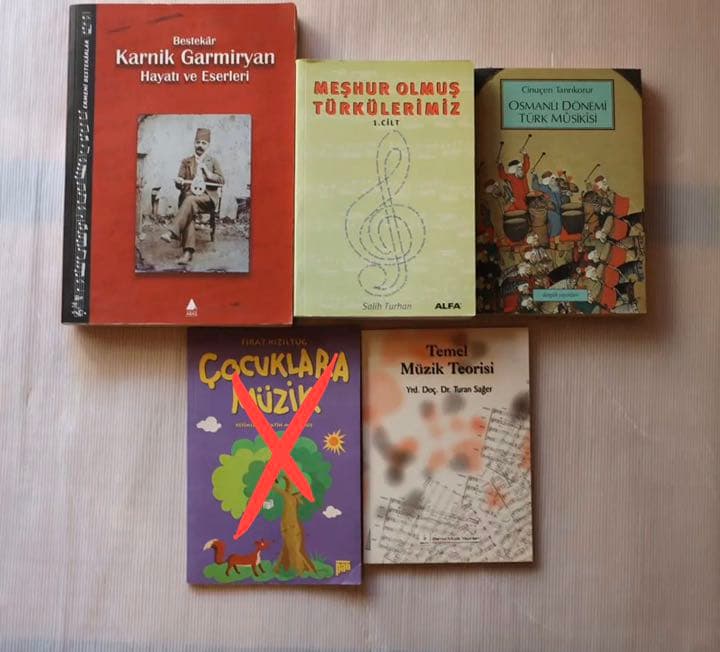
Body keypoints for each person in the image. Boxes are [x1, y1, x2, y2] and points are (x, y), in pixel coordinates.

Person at [161, 128, 224, 265]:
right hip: (190, 197)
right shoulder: (186, 161)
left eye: (203, 143)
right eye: (198, 142)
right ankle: (187, 253)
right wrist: (178, 181)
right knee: (189, 204)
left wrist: (208, 173)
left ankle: (172, 233)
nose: (200, 145)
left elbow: (221, 180)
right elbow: (180, 181)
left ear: (208, 145)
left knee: (188, 202)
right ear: (194, 143)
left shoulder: (213, 161)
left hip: (207, 198)